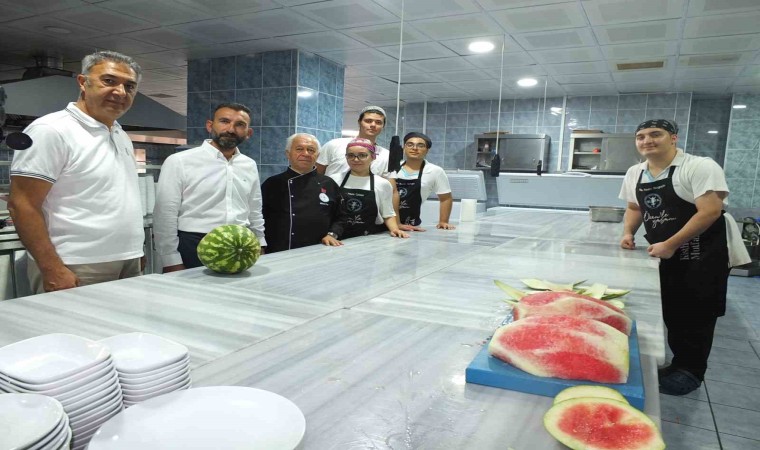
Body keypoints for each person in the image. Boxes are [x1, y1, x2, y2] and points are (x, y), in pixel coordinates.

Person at [618, 119, 750, 396]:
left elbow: (710, 211)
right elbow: (634, 207)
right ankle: (679, 364)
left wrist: (671, 244)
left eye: (655, 134)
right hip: (666, 250)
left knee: (698, 310)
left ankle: (692, 372)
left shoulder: (699, 166)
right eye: (641, 136)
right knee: (673, 307)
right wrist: (628, 232)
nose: (647, 141)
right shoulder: (635, 172)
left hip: (705, 250)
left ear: (673, 138)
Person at [8, 50, 144, 294]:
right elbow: (22, 204)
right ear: (83, 82)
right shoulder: (51, 130)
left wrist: (135, 251)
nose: (120, 92)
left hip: (127, 260)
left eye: (129, 86)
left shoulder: (120, 133)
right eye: (109, 81)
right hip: (75, 264)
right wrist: (52, 268)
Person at [153, 103, 267, 272]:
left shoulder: (249, 164)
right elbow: (165, 214)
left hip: (241, 245)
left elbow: (254, 209)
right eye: (224, 121)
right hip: (193, 246)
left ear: (248, 133)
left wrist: (260, 243)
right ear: (210, 126)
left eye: (239, 124)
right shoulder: (180, 161)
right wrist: (170, 259)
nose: (231, 129)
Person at [261, 133, 343, 252]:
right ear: (288, 154)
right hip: (278, 250)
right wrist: (261, 244)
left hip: (318, 249)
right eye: (299, 149)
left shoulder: (328, 183)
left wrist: (332, 234)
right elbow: (259, 217)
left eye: (311, 150)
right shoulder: (272, 183)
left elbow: (341, 216)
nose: (306, 153)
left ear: (317, 155)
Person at [329, 138, 408, 239]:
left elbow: (388, 213)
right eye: (351, 155)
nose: (356, 159)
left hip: (368, 237)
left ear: (373, 157)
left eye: (362, 155)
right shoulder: (333, 180)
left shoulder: (382, 184)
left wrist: (394, 229)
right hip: (336, 237)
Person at [396, 132, 456, 231]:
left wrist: (443, 221)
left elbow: (446, 198)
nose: (414, 148)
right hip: (384, 222)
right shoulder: (392, 168)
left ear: (427, 150)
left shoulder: (435, 171)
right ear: (404, 148)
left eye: (420, 145)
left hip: (411, 225)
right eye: (410, 144)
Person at [316, 105, 393, 178]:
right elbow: (316, 176)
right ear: (359, 122)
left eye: (378, 122)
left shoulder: (386, 155)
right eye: (368, 121)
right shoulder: (334, 145)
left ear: (383, 126)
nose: (373, 125)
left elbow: (389, 184)